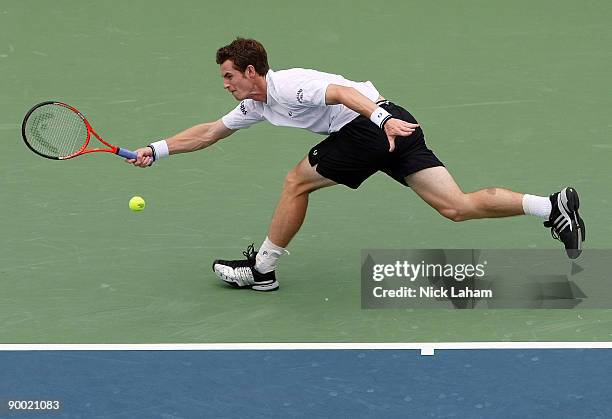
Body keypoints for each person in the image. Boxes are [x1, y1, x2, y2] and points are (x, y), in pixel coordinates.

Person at [127, 37, 586, 292]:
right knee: (456, 207)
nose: (225, 84)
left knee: (295, 183)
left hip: (373, 125)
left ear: (251, 72)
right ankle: (551, 207)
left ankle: (262, 270)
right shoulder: (256, 106)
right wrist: (156, 148)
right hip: (394, 122)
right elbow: (209, 132)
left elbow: (346, 95)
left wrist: (382, 121)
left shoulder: (288, 87)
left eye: (229, 75)